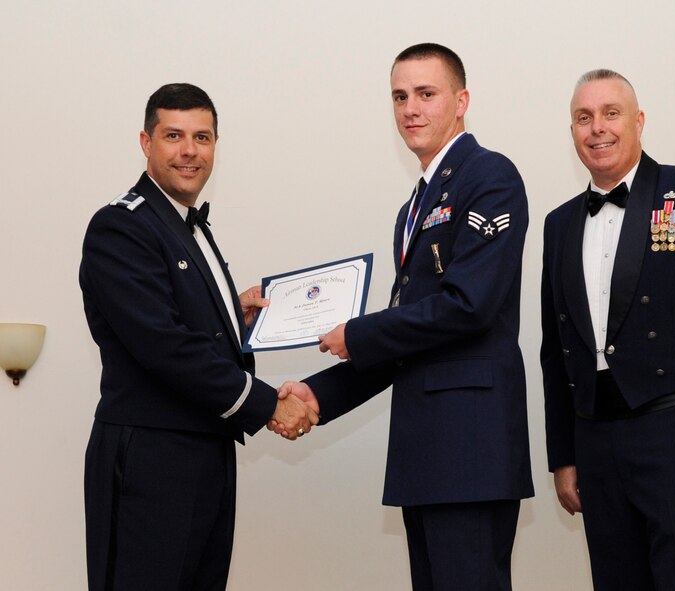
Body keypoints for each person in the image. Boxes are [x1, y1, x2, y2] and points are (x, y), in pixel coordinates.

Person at [278, 43, 534, 590]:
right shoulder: (413, 207)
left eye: (426, 94)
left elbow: (468, 306)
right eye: (399, 96)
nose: (410, 108)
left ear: (461, 101)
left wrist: (358, 332)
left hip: (470, 453)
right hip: (428, 454)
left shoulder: (490, 176)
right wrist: (319, 395)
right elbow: (410, 337)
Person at [80, 82, 318, 591]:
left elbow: (175, 318)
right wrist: (268, 403)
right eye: (174, 135)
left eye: (203, 137)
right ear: (145, 143)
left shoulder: (187, 226)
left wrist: (234, 319)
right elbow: (163, 343)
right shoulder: (119, 227)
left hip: (204, 451)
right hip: (151, 459)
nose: (189, 151)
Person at [540, 69, 675, 590]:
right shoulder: (558, 223)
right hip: (596, 443)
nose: (598, 128)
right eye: (583, 117)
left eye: (611, 113)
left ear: (639, 121)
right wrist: (564, 456)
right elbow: (558, 350)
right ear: (572, 130)